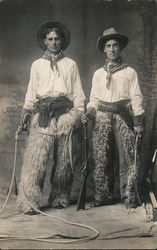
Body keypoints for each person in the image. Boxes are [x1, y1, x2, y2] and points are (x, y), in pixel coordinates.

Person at [17, 21, 85, 214]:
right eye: (50, 39)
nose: (54, 42)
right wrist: (26, 112)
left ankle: (59, 197)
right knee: (36, 159)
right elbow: (31, 92)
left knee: (65, 159)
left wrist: (79, 112)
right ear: (45, 42)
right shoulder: (37, 65)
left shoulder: (71, 64)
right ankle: (29, 201)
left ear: (62, 41)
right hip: (43, 113)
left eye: (57, 39)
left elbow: (78, 91)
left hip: (66, 113)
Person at [82, 27, 144, 208]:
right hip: (102, 116)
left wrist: (138, 122)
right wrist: (90, 112)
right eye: (108, 46)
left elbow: (136, 97)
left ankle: (128, 195)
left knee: (127, 155)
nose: (112, 49)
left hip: (123, 116)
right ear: (104, 49)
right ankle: (104, 194)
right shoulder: (98, 74)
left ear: (120, 48)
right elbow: (93, 99)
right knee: (102, 157)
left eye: (115, 45)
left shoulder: (129, 72)